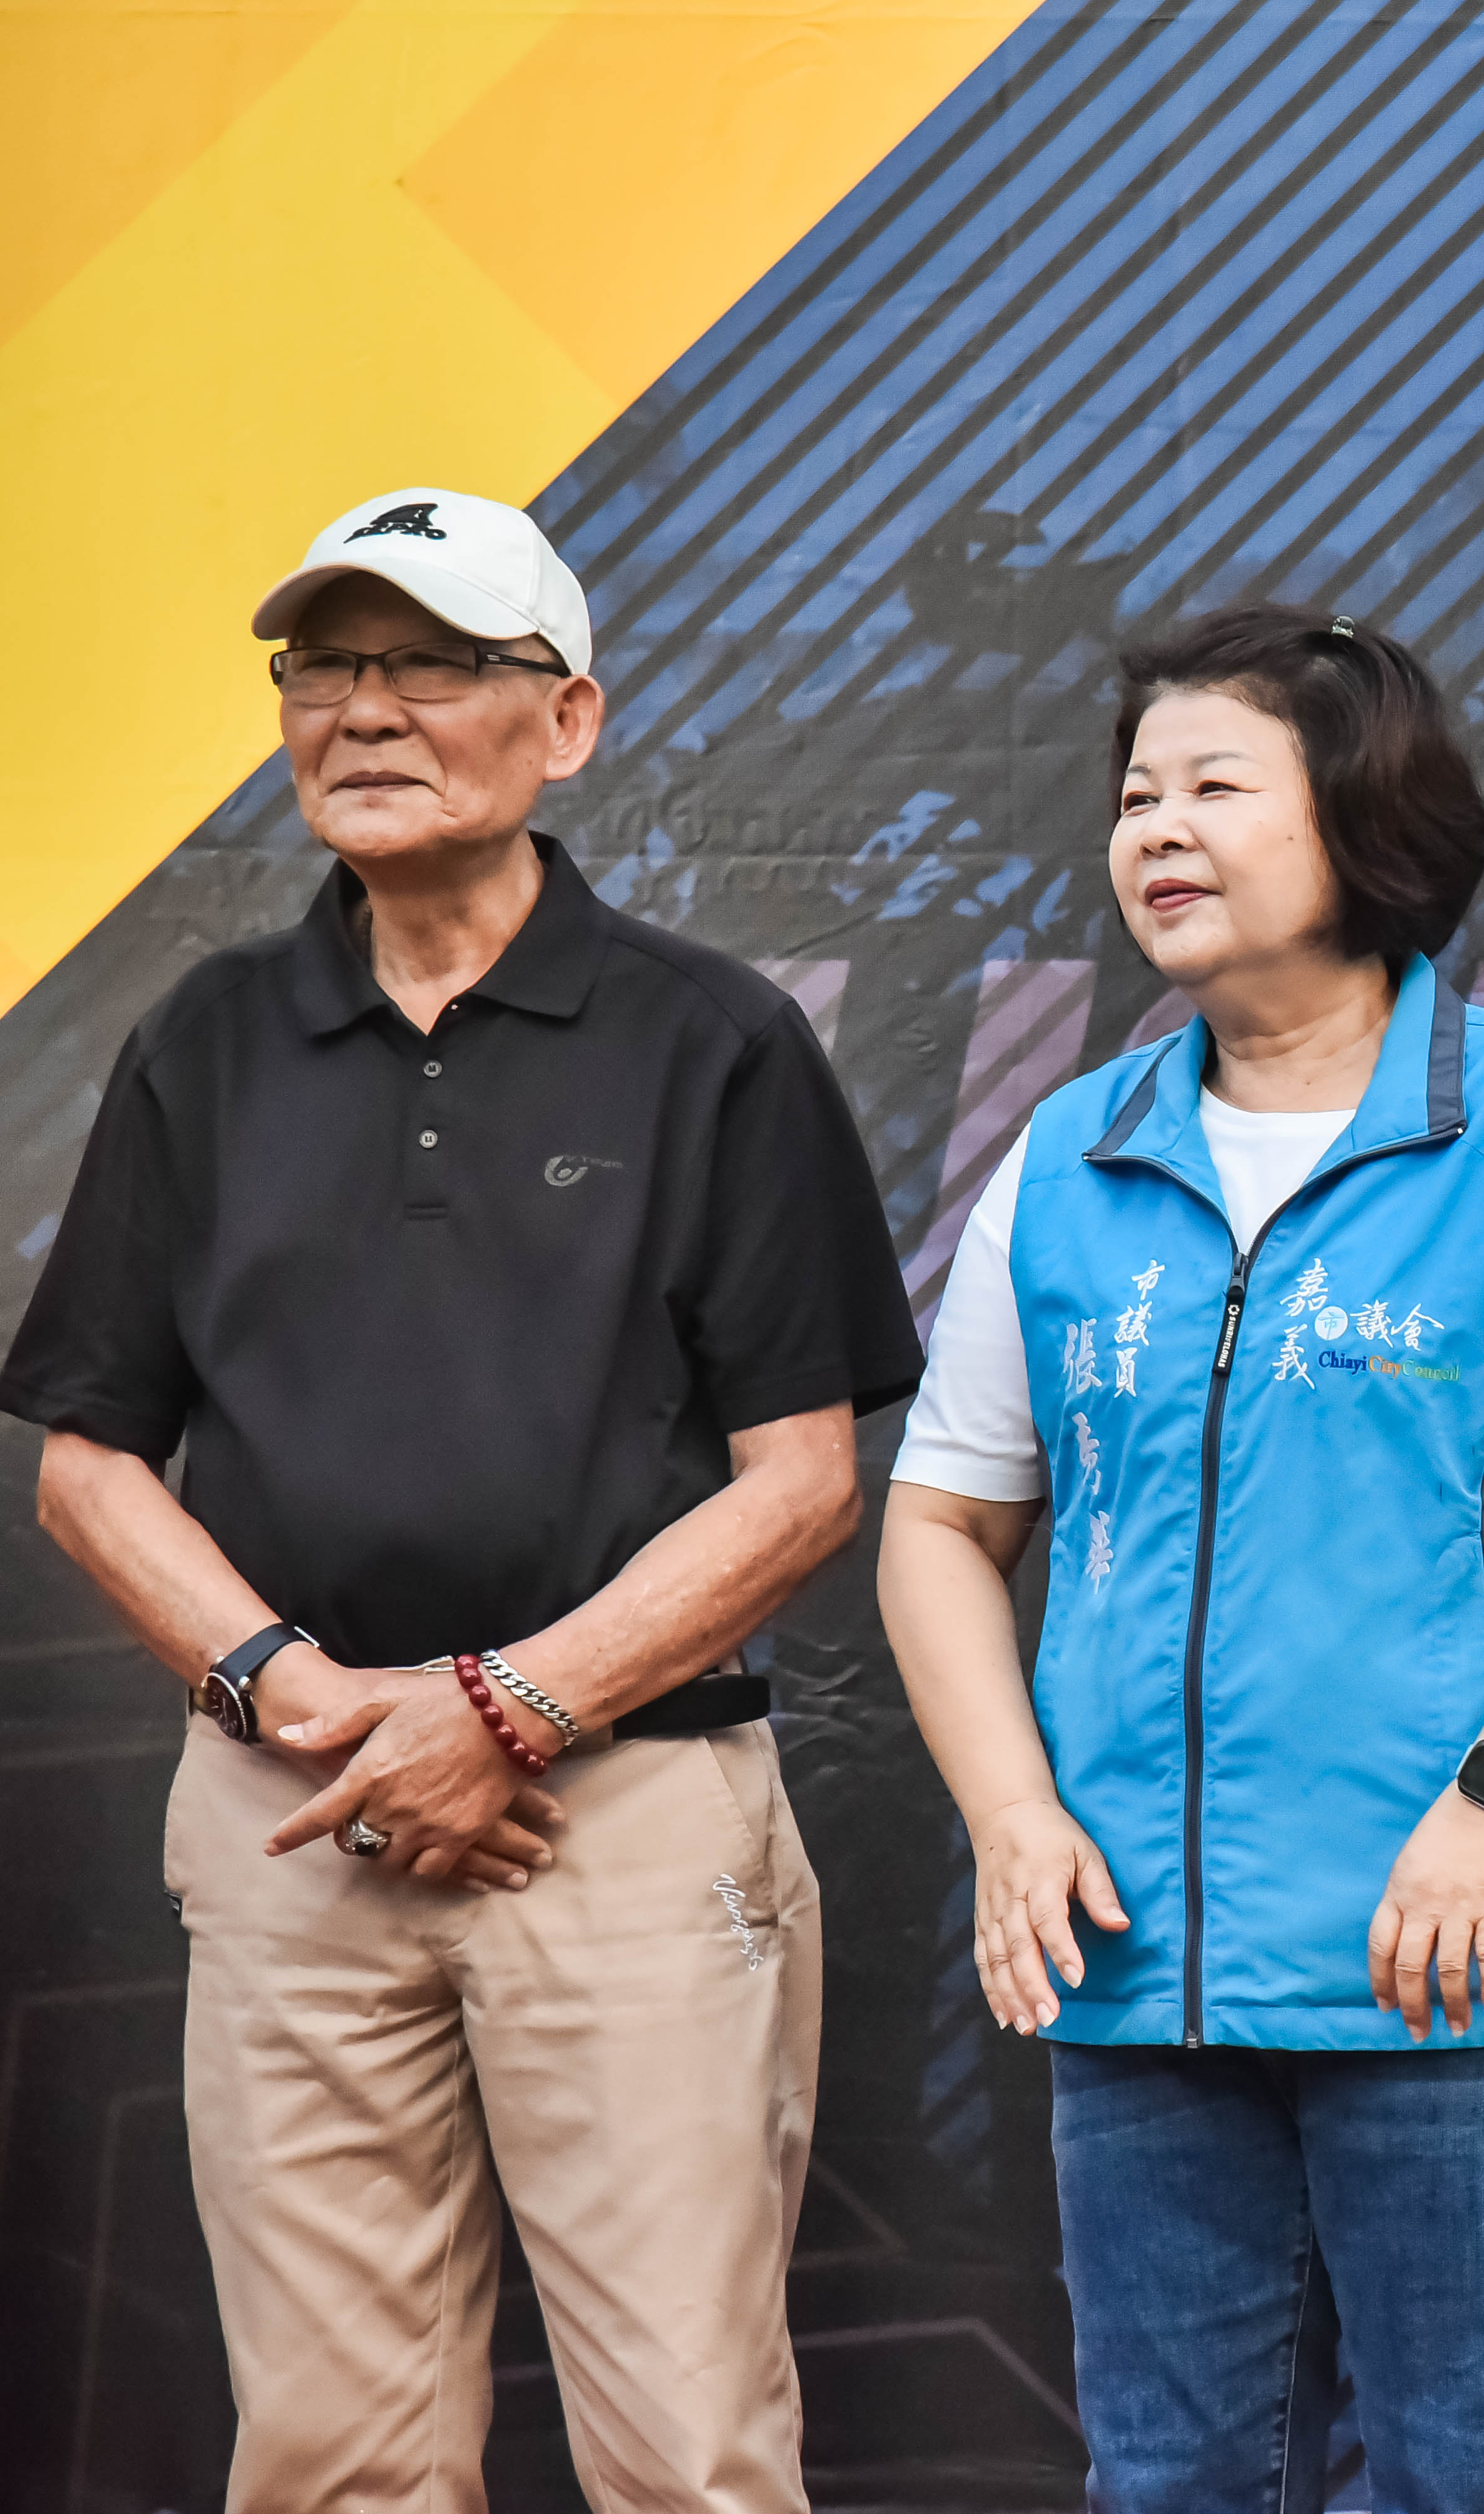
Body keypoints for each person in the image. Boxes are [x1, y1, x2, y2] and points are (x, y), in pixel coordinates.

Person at [0, 486, 921, 2507]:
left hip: (619, 1815)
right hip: (294, 1809)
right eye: (325, 667)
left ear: (566, 719)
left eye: (429, 664)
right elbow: (88, 1465)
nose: (366, 710)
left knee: (687, 2453)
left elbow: (800, 1487)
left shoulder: (715, 1043)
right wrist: (298, 1694)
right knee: (329, 2459)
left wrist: (505, 1710)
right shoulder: (206, 1044)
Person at [876, 601, 1484, 2514]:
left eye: (1217, 787)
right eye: (1138, 796)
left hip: (1459, 1967)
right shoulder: (1070, 1154)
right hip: (1142, 1983)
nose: (1159, 831)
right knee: (1168, 2488)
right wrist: (1014, 1818)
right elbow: (944, 1518)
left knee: (1478, 2487)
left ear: (1366, 820)